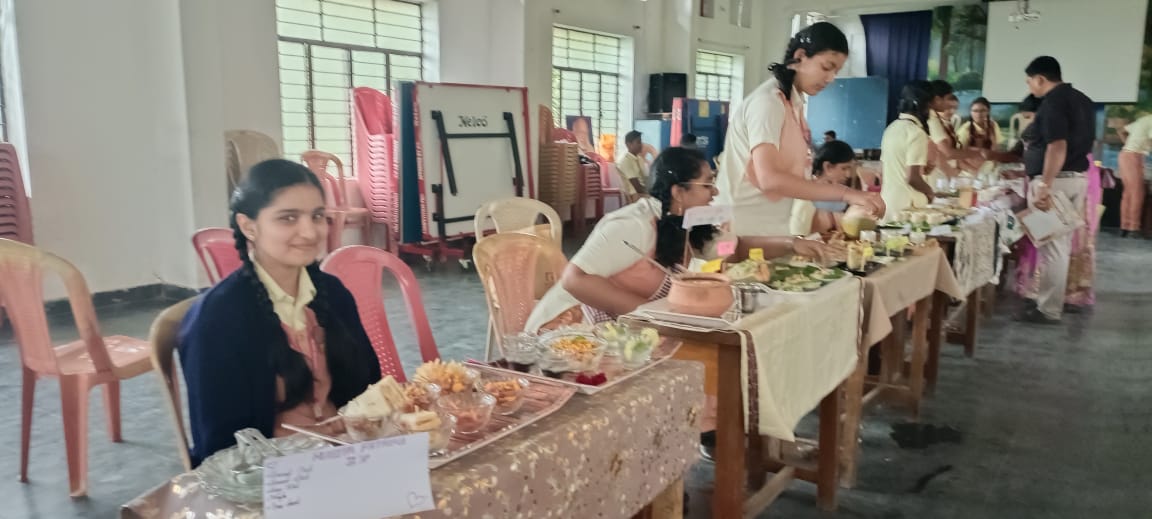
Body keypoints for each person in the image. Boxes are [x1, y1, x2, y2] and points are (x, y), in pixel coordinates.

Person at [179, 160, 381, 465]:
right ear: (248, 226)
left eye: (317, 216)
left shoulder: (333, 294)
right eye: (288, 218)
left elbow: (369, 388)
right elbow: (219, 447)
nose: (309, 232)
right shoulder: (217, 319)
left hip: (351, 456)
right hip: (269, 474)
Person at [524, 147, 834, 331]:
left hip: (632, 324)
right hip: (572, 327)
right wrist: (652, 315)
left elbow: (733, 248)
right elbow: (575, 280)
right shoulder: (633, 225)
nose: (715, 192)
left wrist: (791, 243)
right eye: (707, 184)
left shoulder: (694, 223)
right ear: (679, 192)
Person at [715, 22, 884, 236]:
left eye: (836, 71)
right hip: (740, 228)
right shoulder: (768, 103)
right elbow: (769, 179)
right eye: (826, 67)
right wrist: (846, 194)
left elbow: (792, 180)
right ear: (800, 56)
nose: (831, 79)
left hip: (770, 228)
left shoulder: (792, 104)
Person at [1018, 55, 1096, 324]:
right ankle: (1049, 304)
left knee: (1053, 247)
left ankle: (1048, 309)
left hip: (1056, 181)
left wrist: (1045, 186)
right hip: (1075, 178)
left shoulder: (1053, 102)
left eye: (1030, 81)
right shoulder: (1082, 100)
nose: (1030, 86)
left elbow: (1057, 145)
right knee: (1058, 246)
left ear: (1040, 79)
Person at [879, 80, 936, 220]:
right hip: (906, 207)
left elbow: (887, 169)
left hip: (887, 202)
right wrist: (930, 193)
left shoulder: (891, 128)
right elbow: (912, 178)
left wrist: (922, 169)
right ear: (924, 106)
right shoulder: (916, 132)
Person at [790, 139, 856, 234]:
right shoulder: (805, 194)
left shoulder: (842, 192)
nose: (848, 175)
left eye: (850, 169)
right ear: (827, 167)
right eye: (844, 168)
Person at [926, 81, 985, 186]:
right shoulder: (932, 120)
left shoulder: (946, 123)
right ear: (938, 99)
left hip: (947, 173)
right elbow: (946, 153)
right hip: (938, 175)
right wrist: (977, 153)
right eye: (947, 102)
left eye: (955, 108)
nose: (952, 111)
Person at [1117, 114, 1152, 236]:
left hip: (1126, 154)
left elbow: (1121, 130)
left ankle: (1125, 227)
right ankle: (1133, 228)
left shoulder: (1144, 119)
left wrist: (1128, 144)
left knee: (1128, 193)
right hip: (1134, 156)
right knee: (1137, 193)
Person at [958, 97, 1004, 177]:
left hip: (989, 167)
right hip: (969, 170)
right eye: (975, 111)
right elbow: (958, 157)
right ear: (971, 112)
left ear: (988, 111)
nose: (979, 114)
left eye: (982, 111)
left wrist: (995, 166)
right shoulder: (965, 129)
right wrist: (973, 172)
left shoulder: (993, 125)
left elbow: (997, 148)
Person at [616, 130, 648, 200]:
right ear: (629, 144)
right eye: (638, 142)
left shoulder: (639, 159)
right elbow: (637, 187)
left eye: (641, 142)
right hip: (634, 195)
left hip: (643, 193)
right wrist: (653, 192)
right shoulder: (625, 161)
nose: (641, 145)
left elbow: (645, 180)